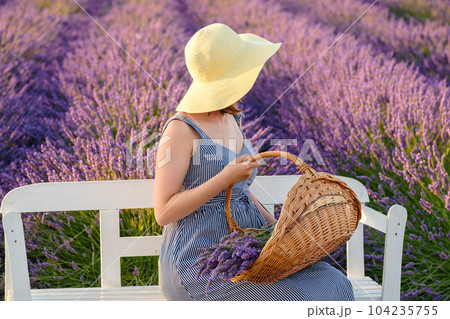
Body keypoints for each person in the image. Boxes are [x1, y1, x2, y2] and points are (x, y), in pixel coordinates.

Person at [154, 23, 354, 301]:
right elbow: (163, 212)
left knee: (331, 280)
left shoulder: (230, 119)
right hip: (199, 266)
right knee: (300, 298)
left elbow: (241, 192)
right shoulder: (181, 129)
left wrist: (278, 228)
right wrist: (224, 178)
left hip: (246, 248)